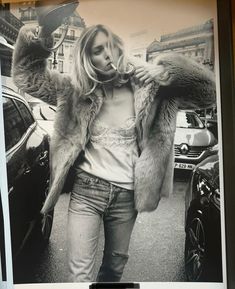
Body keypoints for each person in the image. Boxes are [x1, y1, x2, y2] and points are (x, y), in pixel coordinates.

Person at [12, 23, 216, 282]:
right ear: (87, 59)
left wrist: (165, 70)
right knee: (79, 276)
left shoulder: (150, 88)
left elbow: (209, 93)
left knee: (113, 270)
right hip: (86, 193)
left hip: (127, 196)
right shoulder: (74, 92)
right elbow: (25, 76)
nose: (108, 54)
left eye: (111, 45)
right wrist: (36, 37)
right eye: (99, 50)